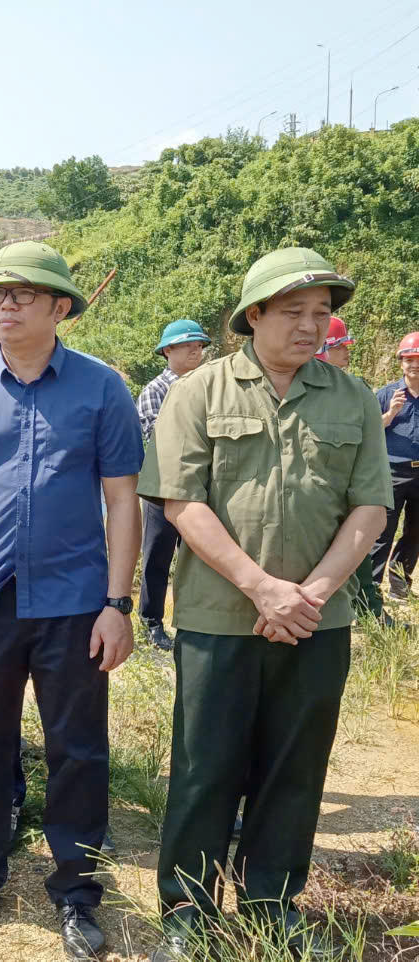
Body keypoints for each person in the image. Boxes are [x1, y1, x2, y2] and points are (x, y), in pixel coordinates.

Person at [140, 249, 389, 962]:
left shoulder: (352, 398)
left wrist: (311, 592)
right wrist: (262, 586)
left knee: (295, 765)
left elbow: (371, 504)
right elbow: (182, 502)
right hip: (220, 617)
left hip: (319, 621)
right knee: (203, 765)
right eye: (293, 312)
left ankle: (271, 905)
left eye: (322, 313)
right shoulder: (199, 392)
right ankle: (187, 913)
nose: (311, 326)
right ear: (254, 316)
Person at [0, 242, 142, 957]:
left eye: (23, 294)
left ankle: (76, 891)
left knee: (76, 749)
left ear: (60, 307)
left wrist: (118, 602)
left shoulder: (102, 388)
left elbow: (121, 498)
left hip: (76, 602)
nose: (4, 306)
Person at [135, 319, 211, 651]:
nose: (196, 351)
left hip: (201, 489)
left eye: (199, 346)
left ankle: (194, 621)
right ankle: (152, 622)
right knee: (157, 556)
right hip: (163, 489)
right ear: (168, 351)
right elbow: (159, 438)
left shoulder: (210, 386)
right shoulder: (155, 390)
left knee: (199, 557)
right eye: (187, 346)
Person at [315, 319, 386, 622]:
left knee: (359, 558)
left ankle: (368, 611)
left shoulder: (353, 392)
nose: (346, 351)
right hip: (321, 500)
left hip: (350, 492)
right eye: (340, 346)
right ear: (323, 350)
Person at [371, 332, 419, 608]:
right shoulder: (387, 394)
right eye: (409, 359)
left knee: (414, 533)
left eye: (418, 359)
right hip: (391, 473)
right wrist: (389, 414)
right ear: (401, 362)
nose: (414, 364)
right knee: (382, 531)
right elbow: (369, 432)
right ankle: (372, 589)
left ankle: (399, 587)